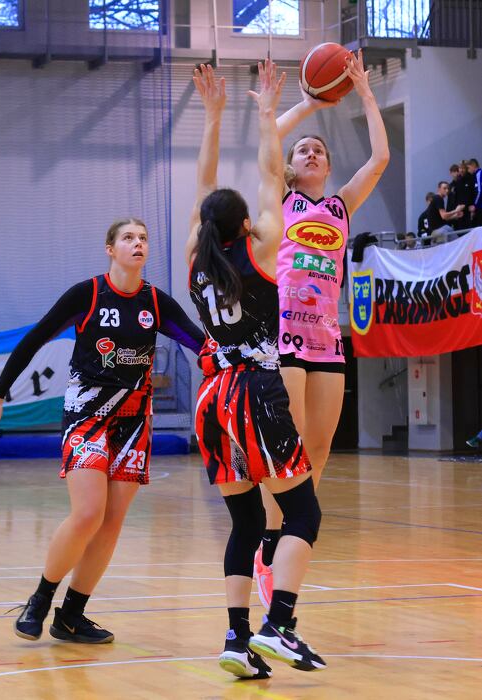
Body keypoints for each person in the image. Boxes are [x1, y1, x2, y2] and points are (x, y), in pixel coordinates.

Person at [0, 218, 204, 644]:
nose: (138, 244)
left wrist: (240, 354)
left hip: (135, 420)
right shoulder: (88, 294)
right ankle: (40, 600)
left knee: (112, 521)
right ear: (110, 249)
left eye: (143, 238)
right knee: (88, 514)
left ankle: (71, 616)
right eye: (128, 238)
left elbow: (201, 345)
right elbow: (35, 339)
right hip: (87, 413)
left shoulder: (156, 302)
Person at [187, 61, 326, 680]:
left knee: (245, 520)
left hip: (212, 397)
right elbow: (274, 174)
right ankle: (281, 626)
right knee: (303, 514)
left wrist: (212, 117)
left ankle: (236, 638)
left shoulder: (195, 259)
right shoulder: (261, 247)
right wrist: (266, 113)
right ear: (245, 225)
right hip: (256, 389)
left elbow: (204, 183)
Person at [253, 49, 390, 608]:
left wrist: (366, 93)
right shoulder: (280, 198)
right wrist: (308, 105)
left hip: (328, 339)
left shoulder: (340, 205)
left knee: (319, 448)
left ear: (328, 168)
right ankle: (268, 542)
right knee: (285, 448)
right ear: (291, 166)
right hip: (284, 334)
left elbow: (380, 158)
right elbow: (268, 140)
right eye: (303, 150)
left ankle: (291, 536)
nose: (311, 152)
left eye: (319, 150)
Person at [467, 158, 482, 227]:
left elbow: (479, 191)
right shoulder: (476, 175)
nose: (468, 170)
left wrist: (475, 205)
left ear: (473, 165)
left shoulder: (479, 174)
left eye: (468, 168)